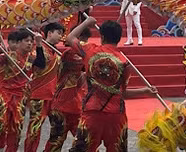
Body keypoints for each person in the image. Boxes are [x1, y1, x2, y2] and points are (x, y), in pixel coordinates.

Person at [67, 16, 158, 152]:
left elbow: (70, 38)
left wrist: (86, 22)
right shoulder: (124, 62)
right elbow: (122, 93)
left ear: (102, 36)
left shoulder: (90, 51)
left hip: (92, 113)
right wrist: (144, 91)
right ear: (119, 38)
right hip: (116, 115)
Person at [0, 30, 46, 152]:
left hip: (20, 96)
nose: (29, 43)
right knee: (0, 118)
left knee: (16, 126)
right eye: (26, 41)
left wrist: (39, 45)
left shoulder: (32, 57)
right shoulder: (9, 55)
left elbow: (41, 64)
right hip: (4, 92)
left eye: (31, 41)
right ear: (18, 43)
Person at [44, 20, 91, 152]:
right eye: (83, 40)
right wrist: (86, 23)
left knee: (84, 141)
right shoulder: (70, 54)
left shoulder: (83, 56)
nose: (85, 44)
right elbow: (71, 39)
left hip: (76, 106)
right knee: (56, 141)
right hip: (62, 106)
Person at [24, 23, 65, 152]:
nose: (60, 36)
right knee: (35, 129)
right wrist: (39, 45)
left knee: (58, 128)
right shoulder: (36, 49)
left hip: (53, 96)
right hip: (38, 95)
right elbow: (39, 64)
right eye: (58, 33)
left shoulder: (57, 53)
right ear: (50, 33)